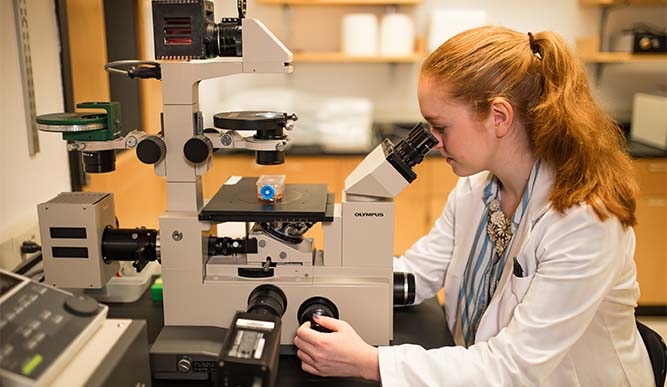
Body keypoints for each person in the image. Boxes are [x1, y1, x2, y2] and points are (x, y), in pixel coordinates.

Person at [293, 26, 655, 386]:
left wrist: (369, 362)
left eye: (441, 127)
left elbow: (514, 367)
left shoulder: (584, 221)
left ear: (499, 116)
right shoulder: (475, 190)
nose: (433, 142)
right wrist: (316, 278)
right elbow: (417, 274)